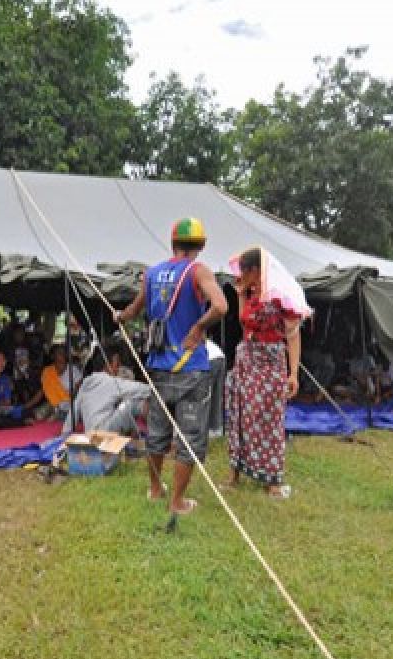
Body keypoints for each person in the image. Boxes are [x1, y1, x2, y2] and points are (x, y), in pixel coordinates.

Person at [114, 217, 228, 515]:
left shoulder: (152, 274)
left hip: (158, 366)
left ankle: (155, 489)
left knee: (157, 432)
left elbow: (134, 310)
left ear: (173, 243)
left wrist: (120, 317)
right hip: (191, 367)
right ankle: (176, 502)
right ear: (201, 246)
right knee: (190, 438)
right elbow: (221, 306)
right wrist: (198, 328)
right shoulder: (197, 271)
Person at [222, 246, 310, 498]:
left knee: (269, 419)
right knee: (240, 415)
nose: (240, 276)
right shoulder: (250, 294)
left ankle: (272, 479)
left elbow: (293, 336)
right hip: (246, 359)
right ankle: (235, 472)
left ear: (255, 270)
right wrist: (240, 295)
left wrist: (293, 374)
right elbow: (244, 323)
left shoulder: (279, 295)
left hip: (271, 363)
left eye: (243, 272)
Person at [66, 350, 152, 435]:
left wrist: (65, 433)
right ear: (107, 365)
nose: (119, 367)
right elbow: (143, 389)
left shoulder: (86, 382)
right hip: (104, 431)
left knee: (124, 404)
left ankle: (134, 433)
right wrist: (158, 390)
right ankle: (154, 433)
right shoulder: (110, 381)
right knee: (134, 403)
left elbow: (74, 409)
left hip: (90, 432)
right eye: (117, 364)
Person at [40, 344, 83, 420]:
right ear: (53, 356)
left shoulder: (73, 370)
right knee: (38, 416)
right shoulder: (47, 371)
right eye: (59, 353)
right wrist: (26, 406)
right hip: (52, 406)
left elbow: (80, 390)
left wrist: (66, 399)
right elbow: (42, 391)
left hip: (70, 408)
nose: (63, 355)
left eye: (64, 352)